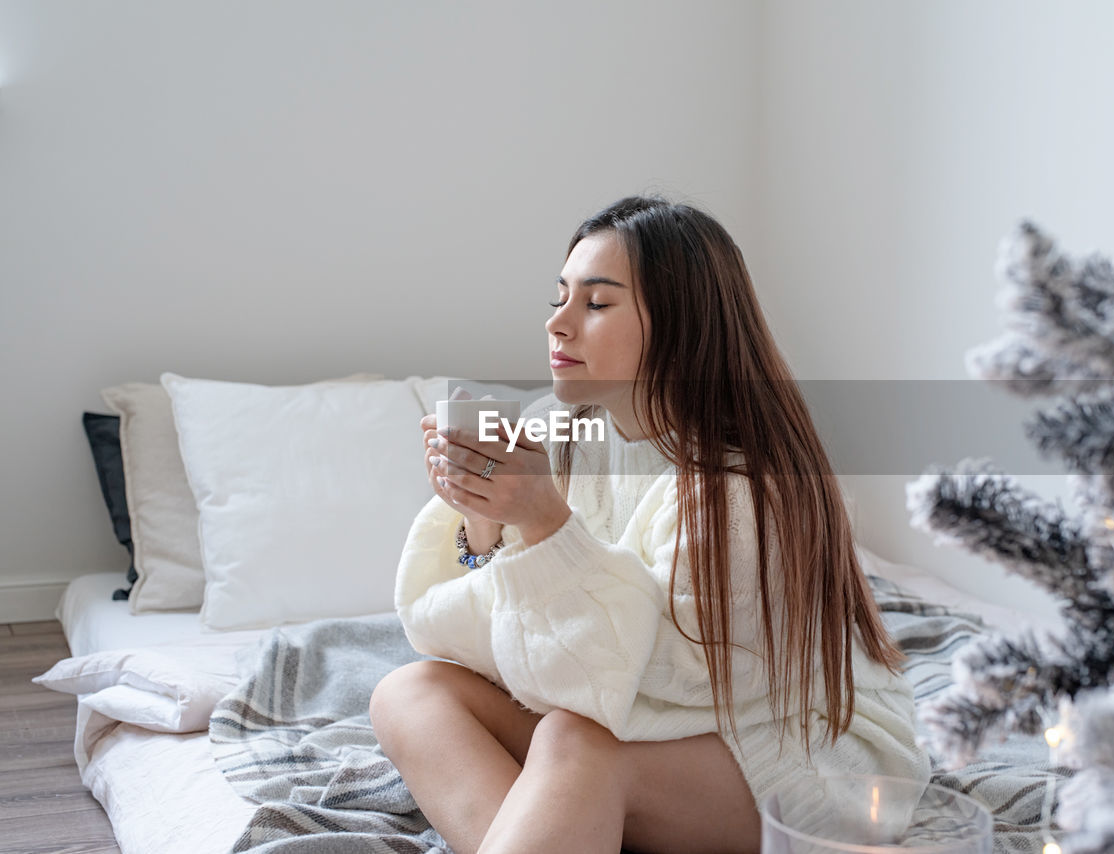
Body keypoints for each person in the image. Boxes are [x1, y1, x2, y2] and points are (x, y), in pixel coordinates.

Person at [369, 196, 928, 854]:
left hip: (792, 742)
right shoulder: (566, 431)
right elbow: (475, 645)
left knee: (573, 741)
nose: (558, 324)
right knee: (411, 690)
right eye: (559, 298)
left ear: (680, 325)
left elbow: (648, 688)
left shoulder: (740, 494)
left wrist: (545, 525)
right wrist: (484, 523)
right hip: (630, 718)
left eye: (596, 303)